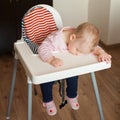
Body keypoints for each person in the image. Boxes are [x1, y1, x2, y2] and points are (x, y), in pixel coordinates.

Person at [38, 22, 111, 116]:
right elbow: (42, 48)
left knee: (73, 76)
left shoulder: (81, 39)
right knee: (46, 80)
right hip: (51, 66)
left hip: (67, 66)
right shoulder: (55, 40)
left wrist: (101, 52)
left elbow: (92, 47)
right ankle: (48, 101)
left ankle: (71, 95)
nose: (78, 54)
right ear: (72, 38)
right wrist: (52, 59)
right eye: (77, 50)